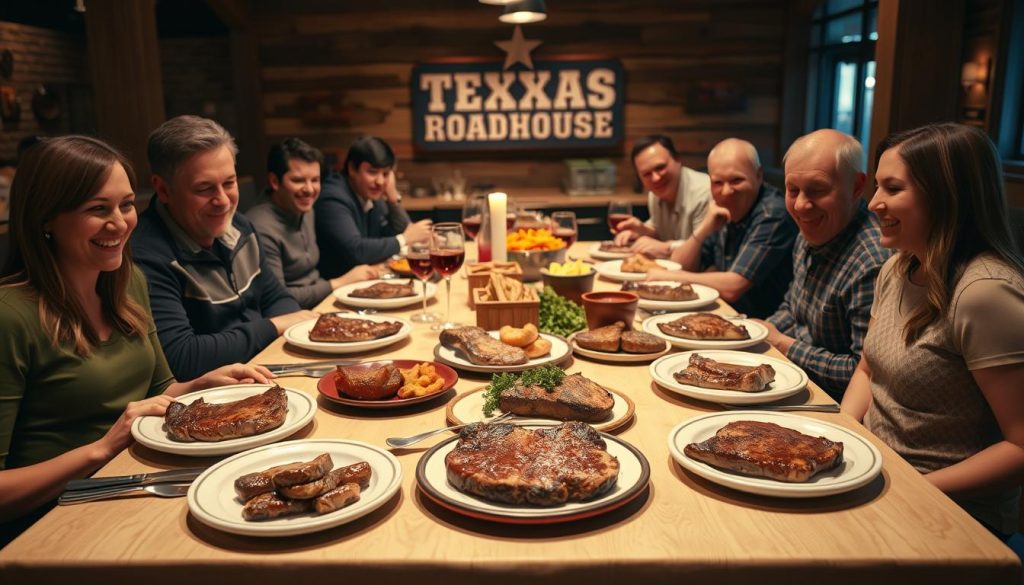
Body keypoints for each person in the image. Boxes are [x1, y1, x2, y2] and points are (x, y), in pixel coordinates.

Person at [0, 136, 272, 544]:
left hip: (137, 486)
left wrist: (199, 385)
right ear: (45, 219)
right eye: (97, 209)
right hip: (52, 525)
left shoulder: (128, 285)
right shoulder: (10, 315)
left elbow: (158, 393)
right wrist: (103, 447)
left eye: (126, 204)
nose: (120, 222)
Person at [841, 123, 1024, 542]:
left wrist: (910, 489)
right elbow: (869, 369)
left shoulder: (985, 293)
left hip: (951, 512)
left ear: (946, 196)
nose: (873, 204)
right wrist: (845, 432)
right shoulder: (900, 265)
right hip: (877, 475)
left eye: (892, 189)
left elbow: (1020, 448)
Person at [131, 116, 317, 380]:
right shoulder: (147, 255)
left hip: (266, 367)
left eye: (229, 183)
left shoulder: (240, 227)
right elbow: (182, 358)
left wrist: (285, 325)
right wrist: (271, 327)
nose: (222, 201)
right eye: (205, 189)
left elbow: (276, 297)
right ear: (163, 189)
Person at [757, 129, 891, 399]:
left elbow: (862, 373)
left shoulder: (872, 262)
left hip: (831, 402)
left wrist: (783, 344)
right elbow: (793, 309)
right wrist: (757, 331)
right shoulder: (812, 230)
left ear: (856, 186)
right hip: (793, 380)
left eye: (817, 191)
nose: (802, 205)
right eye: (792, 190)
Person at [650, 138, 797, 318]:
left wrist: (673, 277)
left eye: (736, 180)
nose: (726, 191)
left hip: (762, 326)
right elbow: (681, 265)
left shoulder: (771, 214)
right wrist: (704, 228)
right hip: (728, 315)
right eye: (718, 183)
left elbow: (734, 286)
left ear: (758, 175)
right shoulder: (721, 208)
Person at [246, 138, 378, 309]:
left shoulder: (305, 208)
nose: (309, 189)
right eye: (298, 180)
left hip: (322, 303)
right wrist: (339, 283)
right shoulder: (260, 226)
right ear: (275, 182)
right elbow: (276, 299)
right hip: (293, 316)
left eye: (315, 180)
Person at [315, 136, 432, 278]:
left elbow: (396, 232)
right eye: (372, 172)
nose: (380, 181)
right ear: (352, 169)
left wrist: (393, 198)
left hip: (365, 282)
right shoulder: (333, 198)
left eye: (386, 173)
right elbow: (357, 251)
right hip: (334, 291)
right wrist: (405, 239)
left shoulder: (370, 194)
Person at [612, 134, 709, 257]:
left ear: (678, 159)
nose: (656, 178)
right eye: (646, 174)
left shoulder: (704, 193)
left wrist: (666, 247)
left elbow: (704, 247)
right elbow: (662, 231)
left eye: (660, 167)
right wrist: (642, 230)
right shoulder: (654, 193)